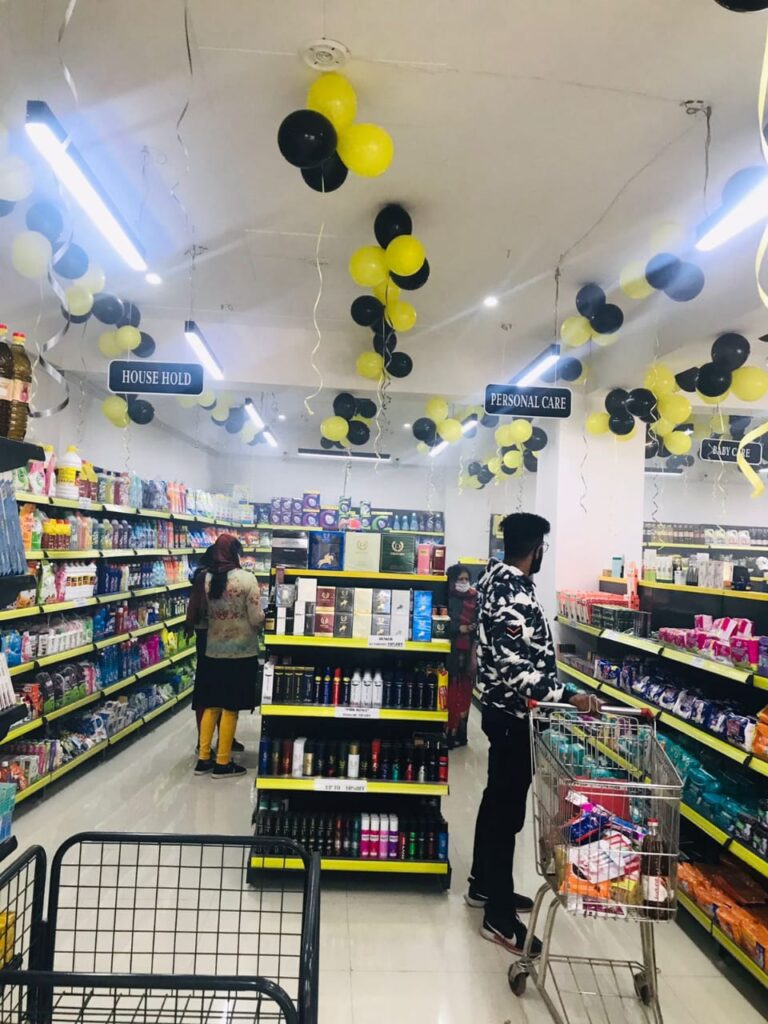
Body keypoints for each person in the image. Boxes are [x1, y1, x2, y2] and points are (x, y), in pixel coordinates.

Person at [467, 512, 597, 956]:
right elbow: (513, 665)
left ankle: (484, 887)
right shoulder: (509, 592)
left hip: (508, 714)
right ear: (536, 549)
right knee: (506, 816)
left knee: (496, 803)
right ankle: (498, 918)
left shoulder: (502, 583)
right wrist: (567, 695)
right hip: (512, 716)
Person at [191, 534, 264, 779]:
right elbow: (255, 618)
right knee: (231, 706)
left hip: (213, 650)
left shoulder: (206, 579)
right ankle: (223, 762)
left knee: (212, 704)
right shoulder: (247, 579)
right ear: (235, 553)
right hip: (240, 652)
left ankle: (204, 758)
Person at [185, 545, 245, 756]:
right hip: (208, 639)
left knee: (217, 692)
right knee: (208, 694)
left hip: (215, 639)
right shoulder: (206, 578)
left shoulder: (215, 576)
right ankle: (205, 742)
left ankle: (222, 740)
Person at [446, 564, 478, 748]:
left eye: (467, 579)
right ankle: (447, 733)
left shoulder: (475, 598)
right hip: (450, 652)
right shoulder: (448, 597)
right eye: (460, 579)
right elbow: (442, 621)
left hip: (468, 654)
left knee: (464, 692)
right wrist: (458, 627)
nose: (464, 583)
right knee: (450, 692)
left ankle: (460, 734)